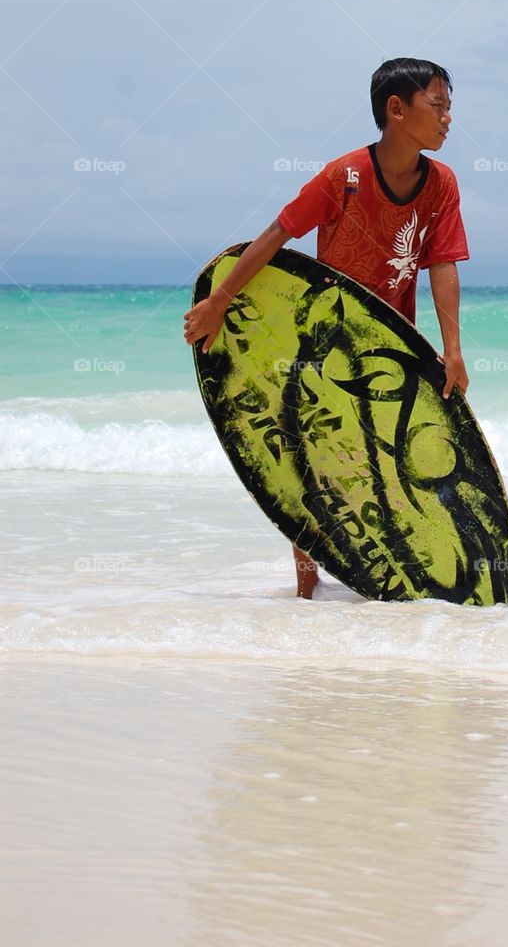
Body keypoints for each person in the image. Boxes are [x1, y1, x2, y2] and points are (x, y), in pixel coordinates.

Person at [183, 56, 471, 598]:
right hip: (319, 346)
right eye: (438, 105)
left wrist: (451, 349)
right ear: (396, 108)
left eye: (449, 108)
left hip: (387, 346)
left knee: (379, 465)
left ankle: (382, 579)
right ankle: (306, 593)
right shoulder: (346, 176)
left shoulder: (442, 185)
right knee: (313, 460)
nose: (448, 118)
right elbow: (277, 234)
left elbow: (443, 264)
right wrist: (220, 301)